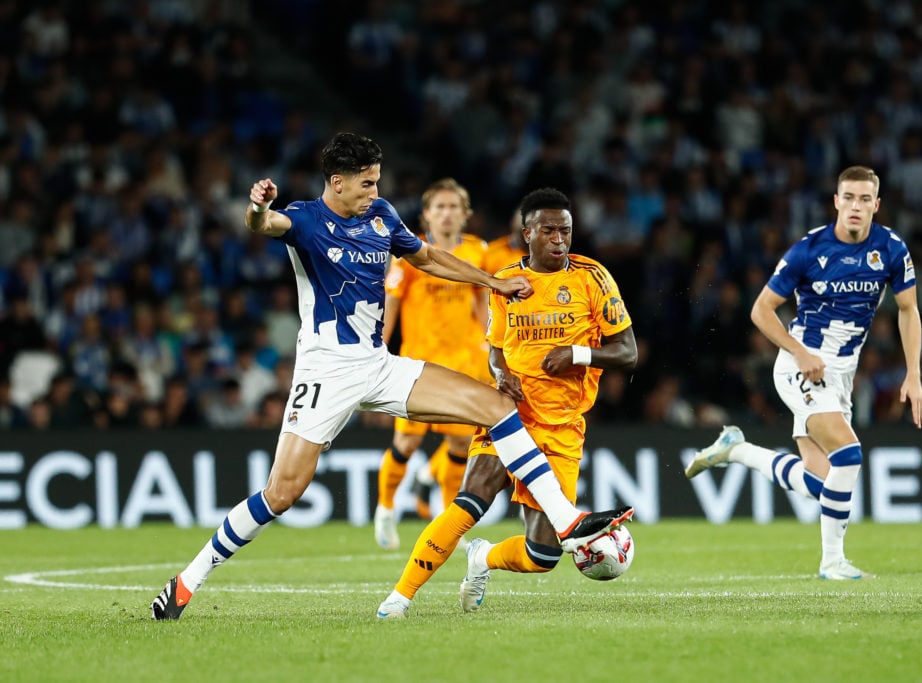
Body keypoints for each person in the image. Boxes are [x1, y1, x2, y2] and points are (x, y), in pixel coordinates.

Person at [150, 133, 632, 620]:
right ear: (336, 182)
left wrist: (492, 282)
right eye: (366, 183)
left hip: (378, 365)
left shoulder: (382, 215)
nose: (375, 190)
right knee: (282, 492)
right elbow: (263, 224)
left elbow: (426, 257)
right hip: (326, 370)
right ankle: (188, 580)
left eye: (377, 181)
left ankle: (567, 520)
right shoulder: (305, 219)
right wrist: (257, 208)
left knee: (498, 406)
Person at [377, 187, 638, 618]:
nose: (559, 239)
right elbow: (496, 347)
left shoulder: (593, 278)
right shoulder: (507, 282)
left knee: (544, 556)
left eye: (566, 231)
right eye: (549, 231)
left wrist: (577, 354)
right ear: (528, 233)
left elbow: (627, 353)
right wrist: (501, 374)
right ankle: (399, 598)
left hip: (563, 426)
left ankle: (481, 558)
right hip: (509, 416)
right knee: (469, 502)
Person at [686, 165, 922, 580]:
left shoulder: (891, 248)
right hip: (802, 367)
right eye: (848, 197)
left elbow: (908, 310)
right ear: (836, 201)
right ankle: (832, 563)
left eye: (864, 199)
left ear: (876, 205)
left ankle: (737, 451)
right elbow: (760, 310)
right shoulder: (808, 250)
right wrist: (799, 353)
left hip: (842, 376)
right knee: (849, 457)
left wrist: (914, 373)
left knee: (823, 484)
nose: (855, 206)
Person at [373, 177, 491, 550]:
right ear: (426, 214)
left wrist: (493, 346)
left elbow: (482, 304)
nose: (446, 213)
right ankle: (386, 508)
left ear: (465, 214)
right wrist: (376, 348)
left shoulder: (478, 252)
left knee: (460, 444)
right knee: (406, 443)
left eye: (453, 207)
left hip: (463, 363)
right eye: (439, 207)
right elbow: (390, 302)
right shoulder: (410, 253)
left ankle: (445, 518)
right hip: (417, 365)